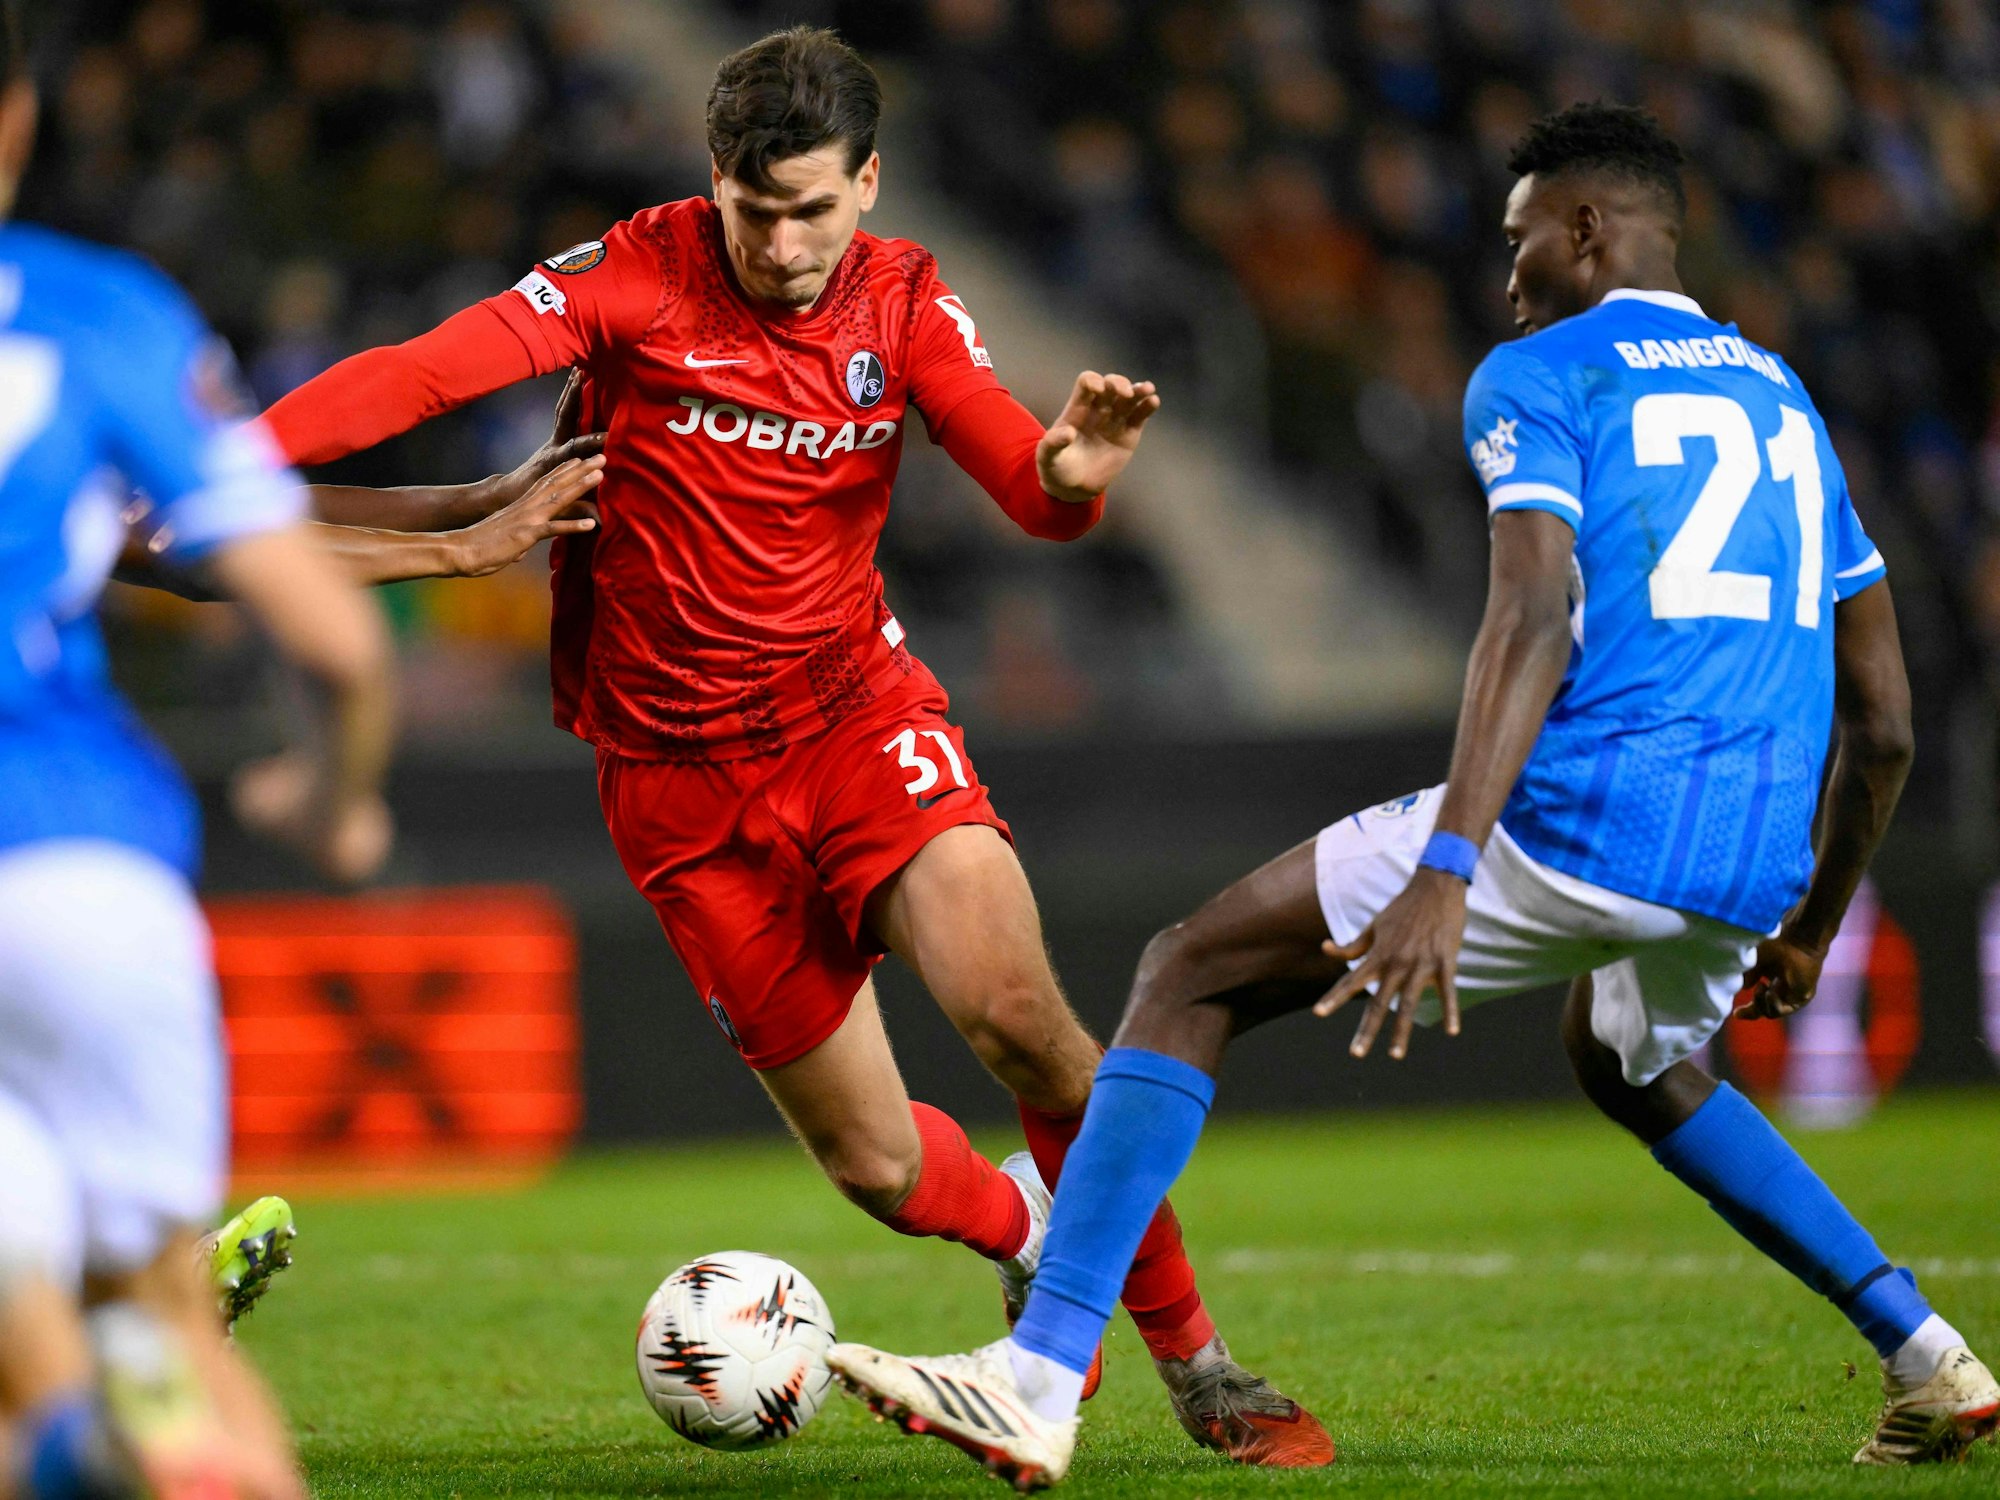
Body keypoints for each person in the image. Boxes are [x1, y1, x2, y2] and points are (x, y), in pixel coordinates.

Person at [825, 102, 1998, 1488]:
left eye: (1519, 241)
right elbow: (1886, 721)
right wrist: (1808, 922)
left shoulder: (1540, 373)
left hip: (1596, 813)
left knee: (1189, 970)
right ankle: (1928, 1352)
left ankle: (1035, 1379)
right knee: (1632, 1060)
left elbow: (1530, 617)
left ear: (1586, 229)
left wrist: (1449, 865)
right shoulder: (1785, 398)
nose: (1506, 277)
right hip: (1750, 849)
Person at [252, 25, 1329, 1466]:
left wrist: (1072, 474)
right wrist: (226, 461)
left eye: (812, 209)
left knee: (1023, 1019)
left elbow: (1032, 487)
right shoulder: (635, 271)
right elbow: (421, 374)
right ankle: (1027, 1226)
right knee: (878, 1167)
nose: (780, 246)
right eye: (754, 211)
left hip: (853, 718)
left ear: (868, 184)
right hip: (674, 782)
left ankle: (1199, 1364)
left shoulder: (906, 299)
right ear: (715, 179)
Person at [0, 9, 397, 1500]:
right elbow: (336, 644)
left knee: (28, 1364)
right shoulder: (96, 311)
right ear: (18, 120)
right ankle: (133, 1430)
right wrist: (331, 801)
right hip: (70, 866)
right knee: (165, 1316)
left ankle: (81, 1440)